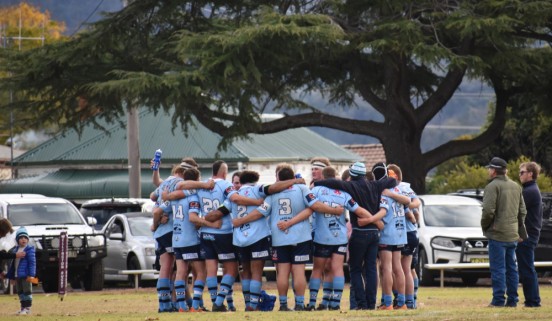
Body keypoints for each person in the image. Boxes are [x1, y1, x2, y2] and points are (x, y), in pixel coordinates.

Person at [234, 164, 343, 311]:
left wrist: (240, 221)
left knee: (282, 272)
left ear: (278, 178)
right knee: (298, 271)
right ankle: (299, 304)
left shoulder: (272, 194)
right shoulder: (302, 189)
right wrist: (334, 210)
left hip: (279, 238)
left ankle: (283, 304)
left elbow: (260, 212)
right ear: (292, 177)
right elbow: (315, 206)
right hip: (300, 237)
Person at [314, 161, 401, 310]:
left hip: (359, 232)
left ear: (352, 175)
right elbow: (393, 180)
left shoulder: (351, 186)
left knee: (355, 269)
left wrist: (318, 183)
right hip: (375, 233)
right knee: (371, 268)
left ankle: (361, 303)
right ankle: (371, 303)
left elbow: (332, 183)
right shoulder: (375, 185)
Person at [306, 166, 379, 311]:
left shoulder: (316, 190)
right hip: (340, 237)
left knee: (317, 269)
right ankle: (335, 303)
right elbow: (358, 209)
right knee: (337, 268)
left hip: (322, 236)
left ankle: (312, 303)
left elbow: (310, 205)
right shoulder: (344, 193)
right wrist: (374, 219)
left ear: (324, 177)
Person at [481, 157, 528, 308]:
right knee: (512, 269)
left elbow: (488, 211)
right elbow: (522, 212)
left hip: (497, 234)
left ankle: (498, 300)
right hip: (512, 234)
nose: (488, 171)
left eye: (489, 168)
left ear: (494, 171)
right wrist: (520, 231)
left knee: (498, 269)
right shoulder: (516, 186)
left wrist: (485, 227)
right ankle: (513, 300)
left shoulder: (492, 186)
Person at [516, 161, 543, 307]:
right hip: (529, 235)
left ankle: (533, 301)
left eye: (522, 172)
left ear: (530, 174)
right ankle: (532, 300)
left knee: (526, 269)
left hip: (526, 236)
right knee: (527, 268)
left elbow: (516, 213)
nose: (519, 175)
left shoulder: (529, 191)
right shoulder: (530, 190)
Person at [6, 227, 36, 315]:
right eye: (21, 238)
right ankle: (23, 308)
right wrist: (11, 277)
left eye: (25, 238)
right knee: (20, 292)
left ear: (28, 239)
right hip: (17, 275)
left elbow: (32, 263)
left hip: (26, 276)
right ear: (17, 239)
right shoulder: (15, 250)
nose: (23, 240)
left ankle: (27, 309)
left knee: (27, 292)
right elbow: (12, 265)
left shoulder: (29, 250)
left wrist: (31, 275)